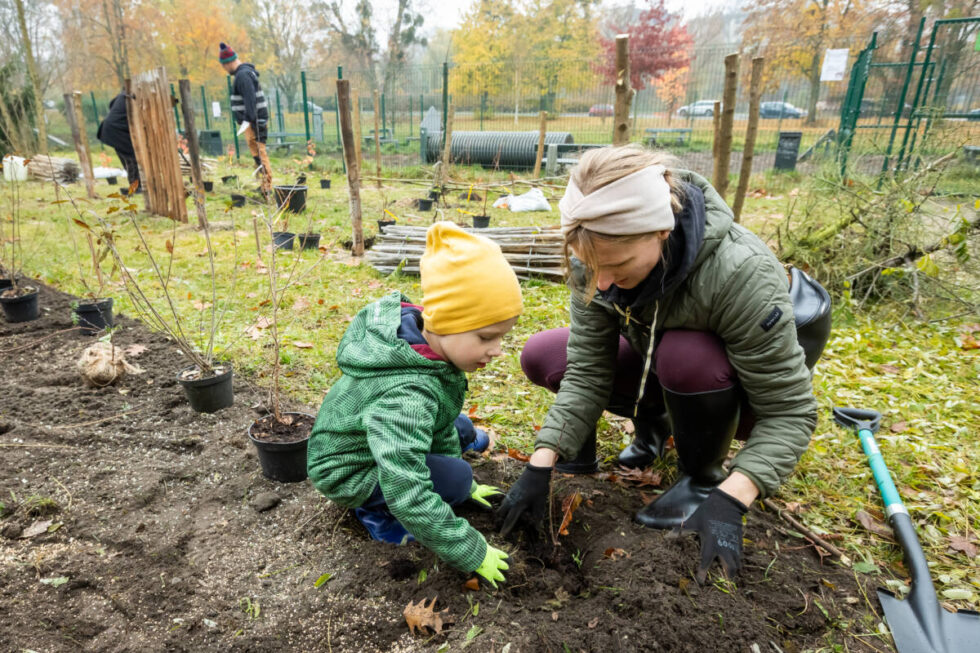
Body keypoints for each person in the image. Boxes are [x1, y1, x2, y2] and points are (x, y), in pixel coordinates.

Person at [497, 145, 827, 581]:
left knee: (685, 354)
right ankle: (657, 425)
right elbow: (588, 371)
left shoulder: (739, 271)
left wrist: (733, 498)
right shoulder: (595, 263)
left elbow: (790, 411)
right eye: (592, 266)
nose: (603, 283)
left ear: (660, 231)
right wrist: (542, 461)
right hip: (661, 371)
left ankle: (702, 478)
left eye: (617, 265)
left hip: (731, 395)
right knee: (546, 353)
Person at [307, 222, 522, 588]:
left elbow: (437, 422)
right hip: (347, 469)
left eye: (502, 336)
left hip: (376, 437)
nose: (498, 350)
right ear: (444, 322)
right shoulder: (406, 396)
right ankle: (375, 514)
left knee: (461, 431)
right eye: (486, 336)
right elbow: (408, 488)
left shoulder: (423, 348)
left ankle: (444, 475)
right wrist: (471, 548)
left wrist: (452, 466)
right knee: (456, 479)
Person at [218, 42, 272, 200]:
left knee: (260, 154)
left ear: (228, 63)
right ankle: (263, 186)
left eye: (223, 66)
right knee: (257, 155)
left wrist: (249, 121)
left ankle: (267, 188)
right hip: (251, 122)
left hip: (254, 123)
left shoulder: (242, 76)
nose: (225, 70)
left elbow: (250, 100)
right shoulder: (245, 74)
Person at [97, 92, 140, 193]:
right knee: (133, 157)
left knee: (128, 158)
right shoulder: (132, 96)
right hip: (117, 130)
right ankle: (136, 187)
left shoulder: (123, 96)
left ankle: (134, 186)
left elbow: (111, 104)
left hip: (109, 129)